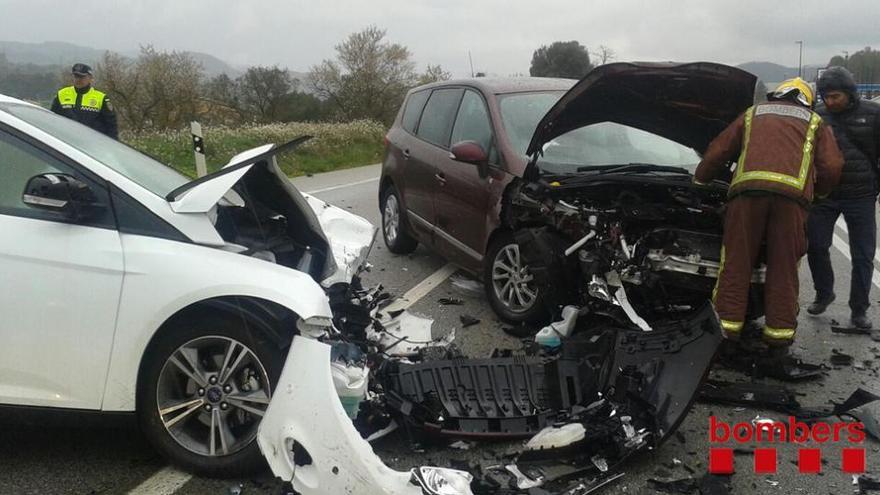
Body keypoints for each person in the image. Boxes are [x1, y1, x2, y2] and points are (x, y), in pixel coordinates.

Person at [694, 78, 843, 348]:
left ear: (778, 94)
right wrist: (818, 194)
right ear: (807, 101)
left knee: (736, 263)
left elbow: (719, 149)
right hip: (791, 201)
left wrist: (701, 180)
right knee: (784, 266)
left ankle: (726, 330)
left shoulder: (754, 113)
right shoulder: (815, 122)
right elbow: (832, 166)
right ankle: (779, 336)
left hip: (746, 195)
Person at [805, 67, 880, 332]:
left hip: (861, 196)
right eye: (825, 96)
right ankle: (824, 293)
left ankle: (859, 310)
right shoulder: (818, 116)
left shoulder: (873, 114)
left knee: (862, 255)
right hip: (826, 195)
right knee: (815, 245)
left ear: (849, 93)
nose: (830, 101)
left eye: (835, 96)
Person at [50, 63, 118, 139]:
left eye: (82, 77)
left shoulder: (101, 97)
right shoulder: (62, 94)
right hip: (66, 141)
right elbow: (53, 119)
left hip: (92, 144)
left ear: (90, 78)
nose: (78, 80)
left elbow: (112, 126)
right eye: (76, 76)